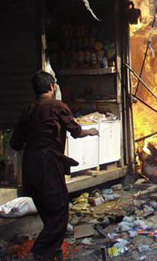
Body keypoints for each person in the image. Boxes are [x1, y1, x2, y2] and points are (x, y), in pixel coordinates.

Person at [10, 71, 98, 260]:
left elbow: (15, 143)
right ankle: (37, 253)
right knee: (59, 211)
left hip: (29, 165)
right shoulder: (56, 106)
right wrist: (90, 130)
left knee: (46, 210)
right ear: (51, 87)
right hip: (47, 165)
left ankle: (53, 251)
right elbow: (75, 130)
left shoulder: (28, 108)